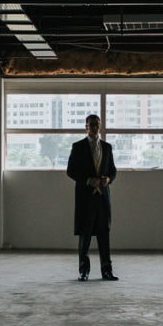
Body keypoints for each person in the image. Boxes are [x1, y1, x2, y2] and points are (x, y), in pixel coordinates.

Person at [66, 114, 119, 281]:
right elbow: (71, 171)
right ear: (86, 127)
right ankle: (84, 271)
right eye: (91, 124)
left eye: (97, 124)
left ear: (100, 126)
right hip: (85, 198)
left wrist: (108, 179)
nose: (95, 127)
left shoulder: (107, 147)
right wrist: (89, 180)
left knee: (104, 234)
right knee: (85, 235)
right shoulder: (78, 147)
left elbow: (113, 170)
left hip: (103, 198)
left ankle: (106, 270)